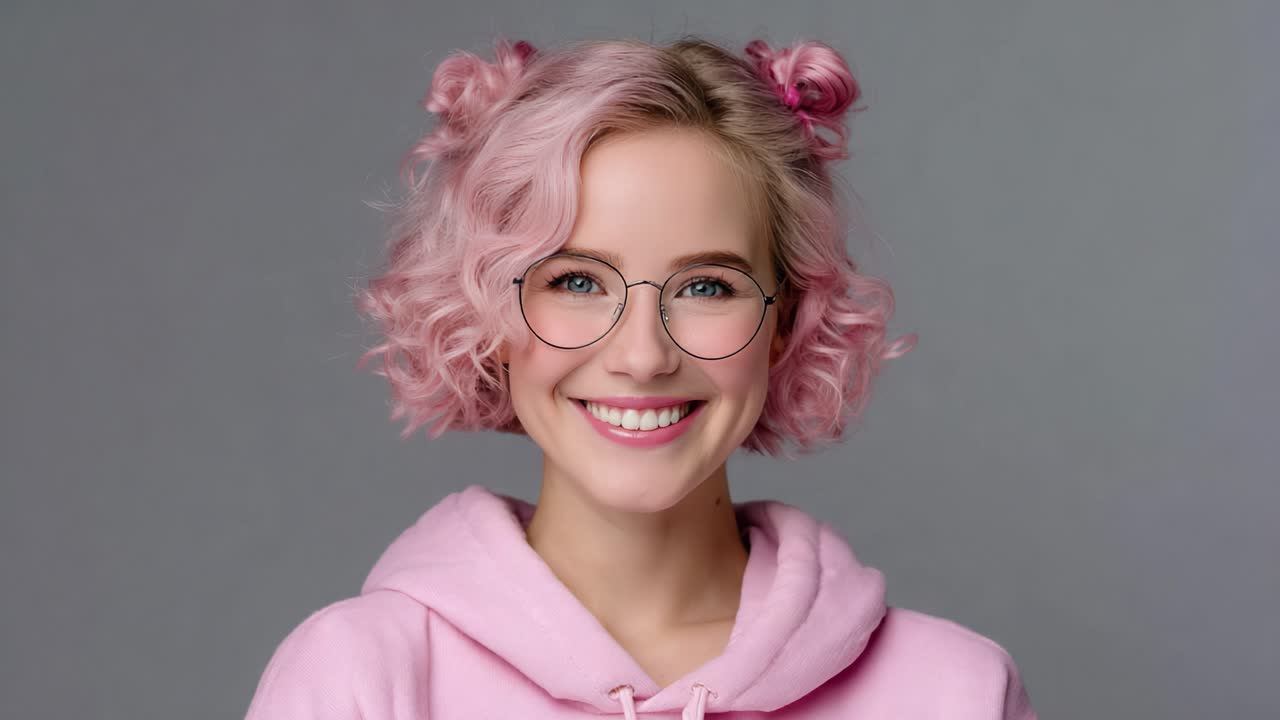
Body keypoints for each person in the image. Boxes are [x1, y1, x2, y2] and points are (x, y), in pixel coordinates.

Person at [244, 34, 1037, 719]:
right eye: (576, 281)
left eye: (708, 287)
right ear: (488, 314)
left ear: (786, 321)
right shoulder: (361, 679)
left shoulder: (956, 694)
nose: (643, 355)